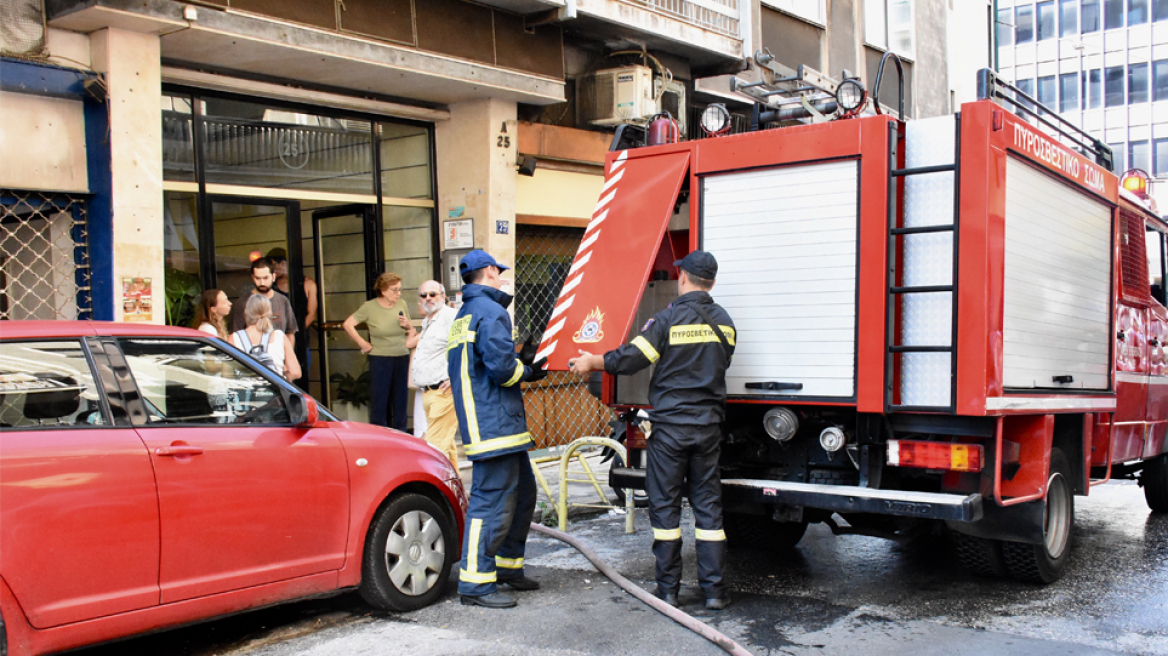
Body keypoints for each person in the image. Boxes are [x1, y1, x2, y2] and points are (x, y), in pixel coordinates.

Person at [569, 251, 735, 611]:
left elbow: (632, 358)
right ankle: (715, 593)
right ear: (713, 283)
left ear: (684, 279)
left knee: (666, 509)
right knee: (709, 512)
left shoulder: (668, 318)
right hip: (708, 429)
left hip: (672, 430)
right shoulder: (725, 322)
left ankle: (669, 590)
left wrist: (593, 361)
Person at [449, 250, 547, 609]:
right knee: (490, 502)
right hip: (493, 425)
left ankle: (506, 567)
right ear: (489, 271)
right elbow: (502, 370)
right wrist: (528, 370)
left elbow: (488, 363)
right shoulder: (491, 311)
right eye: (500, 272)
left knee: (522, 495)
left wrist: (520, 360)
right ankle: (475, 584)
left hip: (494, 421)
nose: (504, 278)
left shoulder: (467, 313)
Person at [343, 272, 415, 430]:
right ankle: (379, 435)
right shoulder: (369, 307)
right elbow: (348, 324)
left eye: (400, 289)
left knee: (401, 400)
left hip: (402, 356)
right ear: (383, 290)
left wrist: (408, 326)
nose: (399, 293)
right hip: (380, 358)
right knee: (380, 400)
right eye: (394, 290)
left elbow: (412, 330)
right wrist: (362, 343)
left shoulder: (401, 304)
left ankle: (400, 435)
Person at [405, 280, 460, 469]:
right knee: (446, 446)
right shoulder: (428, 320)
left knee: (434, 449)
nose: (428, 298)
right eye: (424, 295)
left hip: (443, 393)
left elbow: (465, 348)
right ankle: (459, 494)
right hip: (429, 393)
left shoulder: (451, 317)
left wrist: (455, 376)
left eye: (433, 294)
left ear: (443, 296)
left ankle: (436, 495)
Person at [230, 258, 299, 349]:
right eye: (257, 278)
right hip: (252, 359)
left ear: (273, 277)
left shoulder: (283, 300)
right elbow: (236, 337)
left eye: (265, 278)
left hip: (279, 358)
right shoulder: (242, 302)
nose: (262, 282)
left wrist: (288, 357)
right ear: (252, 277)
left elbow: (290, 333)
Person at [232, 294, 302, 381]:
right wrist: (282, 379)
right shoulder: (279, 336)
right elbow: (295, 372)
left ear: (246, 312)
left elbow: (227, 374)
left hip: (246, 393)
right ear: (270, 313)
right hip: (274, 392)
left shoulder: (234, 338)